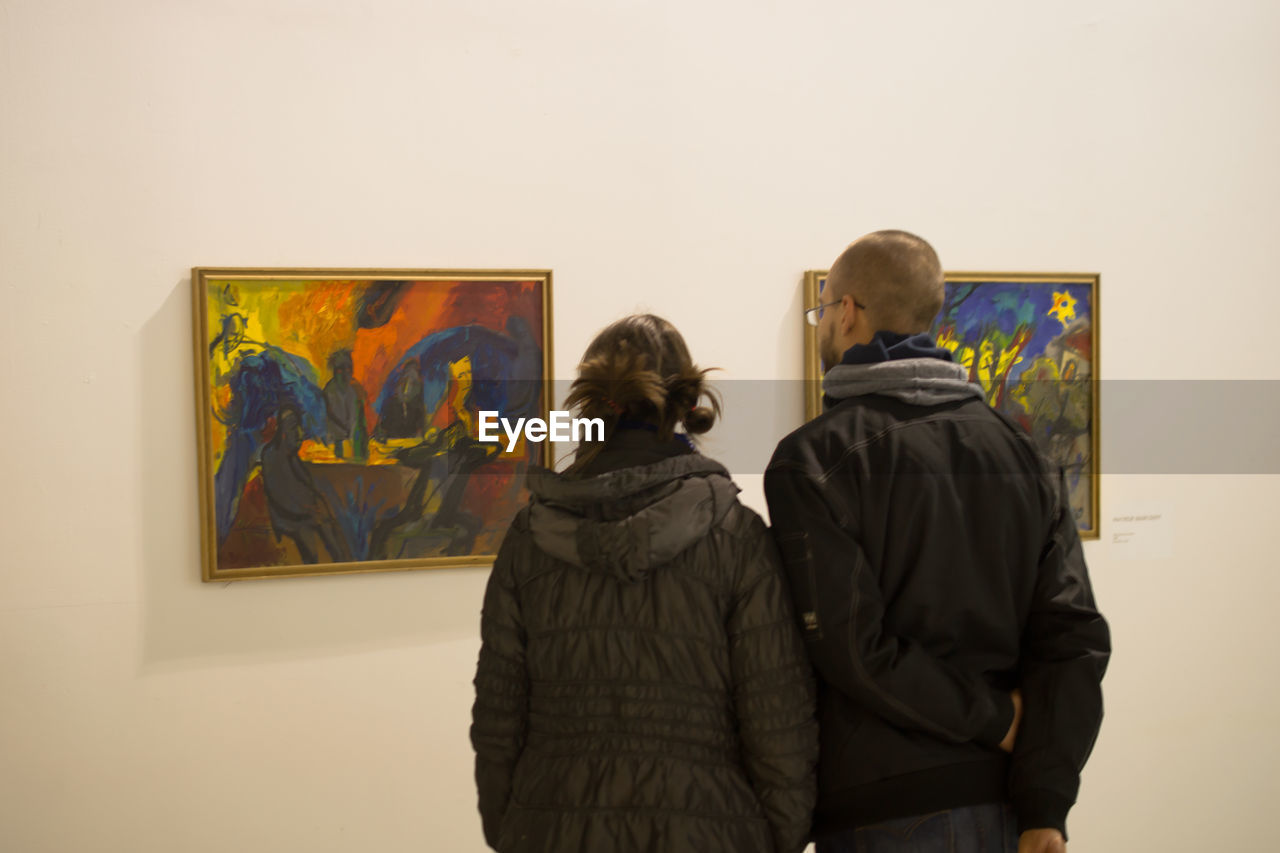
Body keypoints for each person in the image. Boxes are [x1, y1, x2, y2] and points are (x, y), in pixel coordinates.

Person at [764, 231, 1110, 853]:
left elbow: (853, 649)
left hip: (886, 806)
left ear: (847, 312)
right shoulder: (1022, 453)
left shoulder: (816, 459)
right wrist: (1045, 803)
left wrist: (996, 721)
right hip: (1008, 805)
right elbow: (1072, 636)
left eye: (822, 311)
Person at [471, 314, 818, 853]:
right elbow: (777, 719)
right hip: (712, 829)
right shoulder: (736, 536)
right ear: (685, 403)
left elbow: (498, 715)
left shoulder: (530, 537)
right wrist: (774, 836)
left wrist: (515, 827)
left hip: (551, 827)